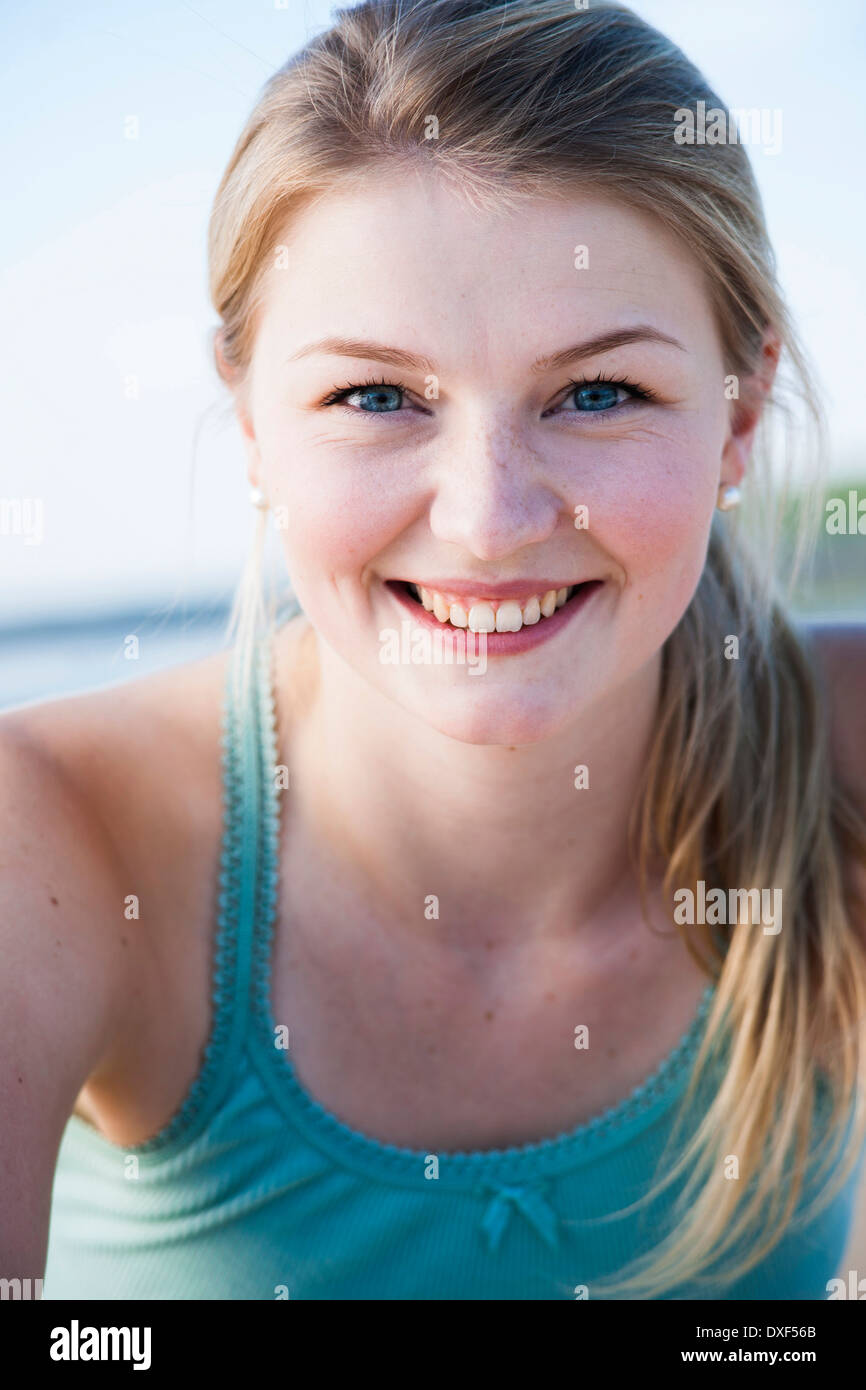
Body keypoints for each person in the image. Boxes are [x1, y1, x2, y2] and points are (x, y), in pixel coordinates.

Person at [4, 0, 865, 1301]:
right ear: (250, 426)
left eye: (596, 394)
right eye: (375, 397)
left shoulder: (844, 759)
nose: (486, 519)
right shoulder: (57, 835)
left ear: (737, 414)